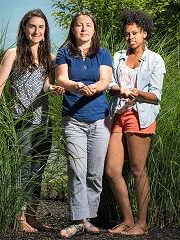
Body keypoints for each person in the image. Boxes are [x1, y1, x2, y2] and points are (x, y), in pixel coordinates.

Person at [0, 9, 64, 233]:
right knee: (23, 169)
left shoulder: (49, 58)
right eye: (32, 26)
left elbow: (46, 85)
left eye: (41, 27)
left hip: (44, 122)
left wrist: (53, 88)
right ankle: (19, 218)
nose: (36, 31)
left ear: (45, 30)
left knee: (39, 169)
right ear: (24, 28)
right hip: (22, 120)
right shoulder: (13, 53)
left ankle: (32, 216)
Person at [106, 10, 166, 236]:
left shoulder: (154, 59)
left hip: (141, 116)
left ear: (144, 33)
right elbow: (111, 82)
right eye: (127, 33)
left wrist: (136, 93)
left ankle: (142, 223)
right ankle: (128, 219)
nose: (130, 37)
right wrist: (117, 88)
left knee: (137, 170)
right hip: (118, 115)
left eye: (135, 33)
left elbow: (156, 95)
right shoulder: (118, 56)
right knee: (112, 170)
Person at [55, 11, 112, 238]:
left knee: (94, 173)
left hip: (99, 119)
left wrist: (93, 88)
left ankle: (87, 220)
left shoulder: (103, 53)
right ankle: (78, 220)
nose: (84, 29)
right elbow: (61, 79)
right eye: (79, 25)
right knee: (76, 170)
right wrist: (77, 86)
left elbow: (105, 80)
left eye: (88, 25)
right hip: (73, 120)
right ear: (73, 29)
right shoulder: (63, 52)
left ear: (93, 29)